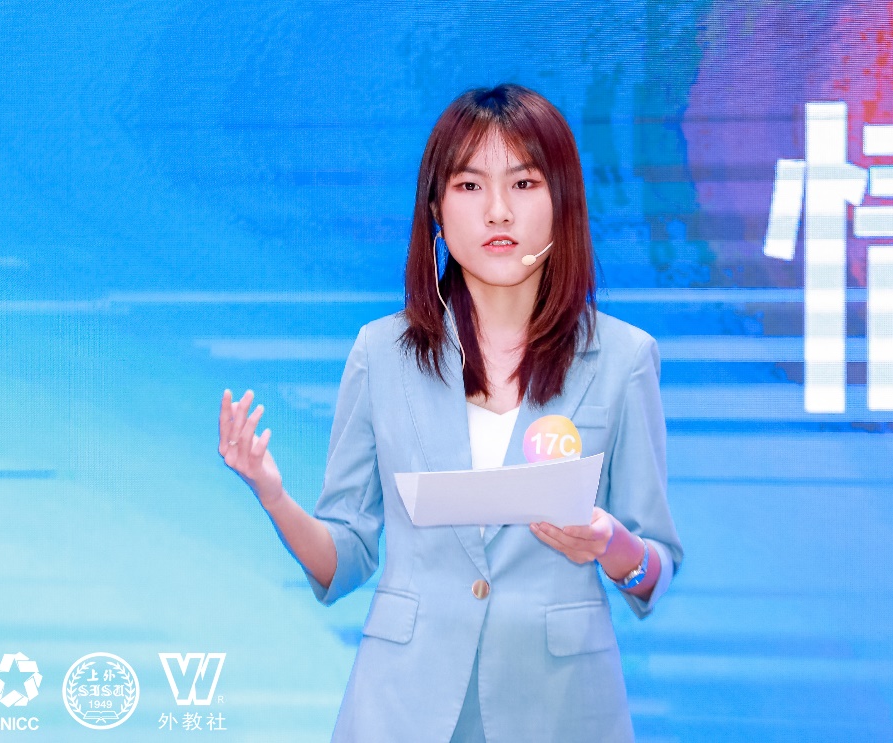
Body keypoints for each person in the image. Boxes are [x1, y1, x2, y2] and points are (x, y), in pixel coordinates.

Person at [218, 84, 683, 743]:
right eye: (469, 186)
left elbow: (653, 568)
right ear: (435, 209)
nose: (498, 211)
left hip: (560, 707)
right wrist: (272, 495)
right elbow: (345, 558)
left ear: (563, 202)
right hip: (403, 706)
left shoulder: (625, 358)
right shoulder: (380, 352)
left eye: (523, 184)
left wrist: (612, 545)